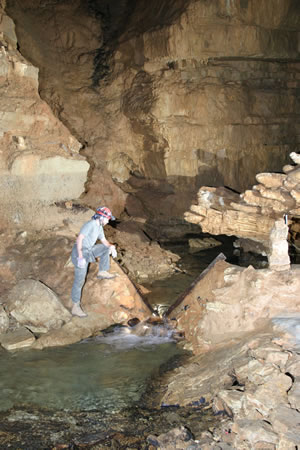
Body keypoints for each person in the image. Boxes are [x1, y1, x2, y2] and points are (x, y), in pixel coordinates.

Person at [71, 206, 118, 317]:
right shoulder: (90, 224)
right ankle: (75, 306)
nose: (108, 221)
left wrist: (112, 247)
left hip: (89, 250)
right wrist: (80, 257)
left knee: (105, 248)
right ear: (101, 217)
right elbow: (79, 239)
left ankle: (102, 271)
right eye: (107, 219)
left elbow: (104, 241)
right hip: (80, 251)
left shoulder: (99, 227)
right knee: (79, 281)